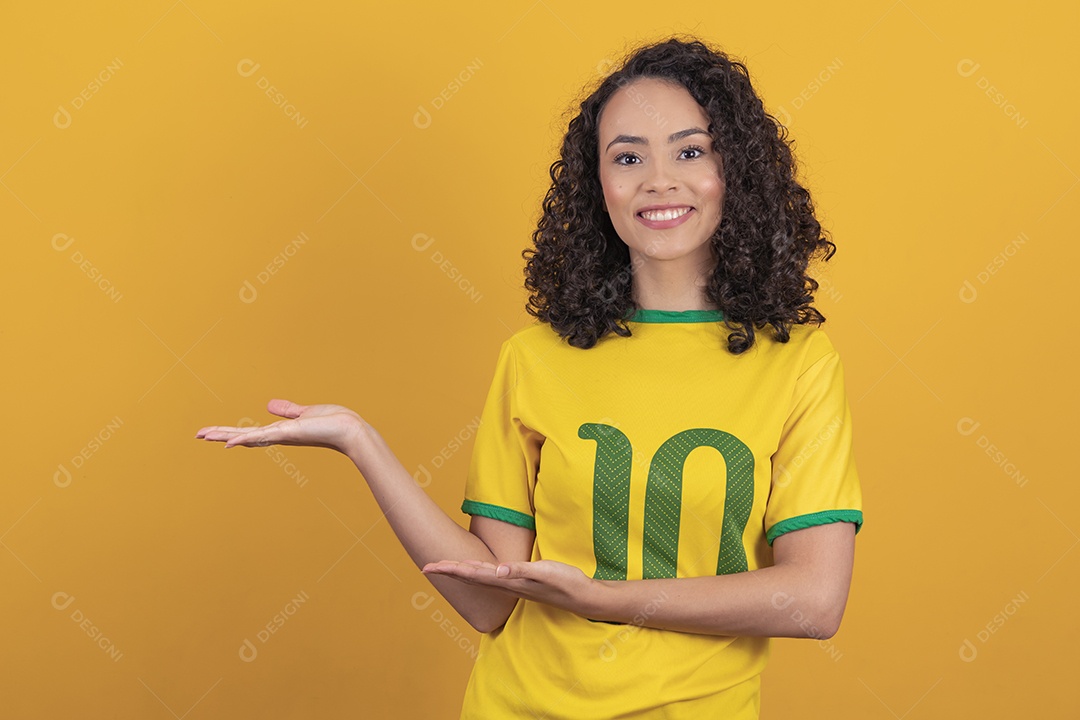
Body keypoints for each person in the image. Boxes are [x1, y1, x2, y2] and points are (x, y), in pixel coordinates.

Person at [196, 35, 863, 719]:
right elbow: (488, 599)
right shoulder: (535, 357)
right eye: (628, 157)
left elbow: (813, 600)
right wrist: (362, 442)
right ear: (597, 186)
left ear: (737, 171)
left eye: (690, 151)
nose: (659, 180)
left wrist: (604, 600)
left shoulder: (797, 363)